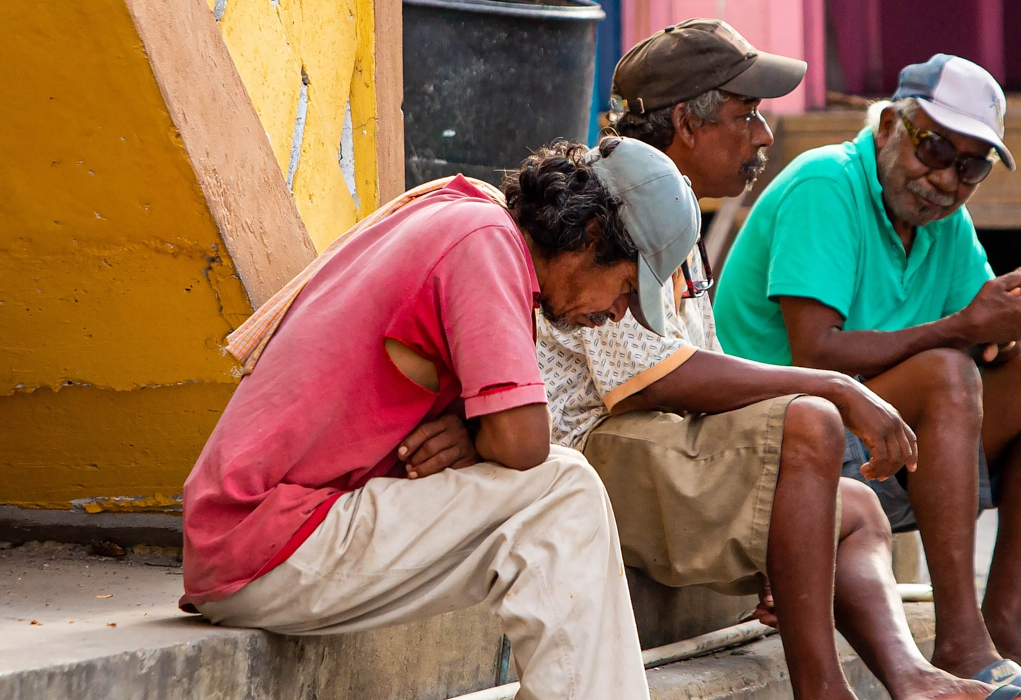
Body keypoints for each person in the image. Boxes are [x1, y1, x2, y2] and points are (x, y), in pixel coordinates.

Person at [534, 21, 1021, 700]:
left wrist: (787, 522)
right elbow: (647, 380)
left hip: (650, 445)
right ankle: (823, 691)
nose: (764, 134)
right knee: (812, 421)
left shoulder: (676, 206)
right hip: (585, 457)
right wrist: (833, 389)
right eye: (747, 114)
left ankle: (912, 679)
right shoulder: (614, 203)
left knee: (854, 510)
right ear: (687, 122)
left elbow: (694, 366)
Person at [179, 139, 683, 700]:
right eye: (626, 289)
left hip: (264, 537)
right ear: (590, 237)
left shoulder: (464, 216)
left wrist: (473, 435)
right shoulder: (485, 242)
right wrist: (484, 433)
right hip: (268, 540)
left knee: (561, 481)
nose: (616, 313)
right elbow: (522, 442)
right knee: (563, 491)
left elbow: (504, 438)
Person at [713, 54, 1021, 700]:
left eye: (970, 166)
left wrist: (1009, 324)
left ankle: (1004, 626)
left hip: (886, 447)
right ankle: (960, 640)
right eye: (933, 148)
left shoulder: (942, 221)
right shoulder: (827, 183)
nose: (945, 178)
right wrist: (964, 330)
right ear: (889, 127)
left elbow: (990, 348)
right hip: (786, 444)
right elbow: (814, 353)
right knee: (944, 375)